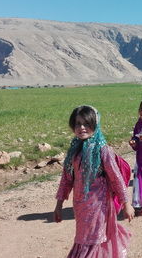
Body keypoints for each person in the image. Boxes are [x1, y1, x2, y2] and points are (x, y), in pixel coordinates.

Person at [54, 105, 134, 258]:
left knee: (94, 239)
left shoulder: (103, 150)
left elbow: (116, 178)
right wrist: (59, 205)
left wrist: (126, 204)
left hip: (99, 205)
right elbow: (67, 179)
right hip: (80, 205)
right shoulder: (74, 150)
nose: (82, 128)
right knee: (83, 238)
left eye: (86, 124)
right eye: (78, 124)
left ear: (95, 125)